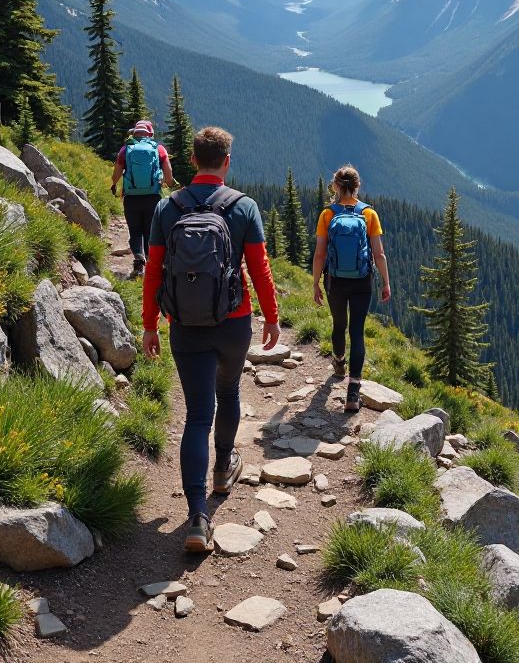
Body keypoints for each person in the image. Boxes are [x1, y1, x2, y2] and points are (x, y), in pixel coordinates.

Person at [142, 126, 280, 553]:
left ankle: (198, 518)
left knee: (197, 414)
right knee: (229, 391)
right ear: (226, 161)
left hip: (186, 325)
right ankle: (223, 469)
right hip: (234, 322)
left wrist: (150, 324)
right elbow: (260, 269)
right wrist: (272, 318)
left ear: (193, 159)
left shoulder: (169, 208)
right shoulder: (243, 207)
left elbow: (153, 271)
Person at [312, 165, 391, 412]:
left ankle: (338, 362)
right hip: (362, 281)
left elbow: (319, 254)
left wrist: (315, 283)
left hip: (335, 281)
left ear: (335, 186)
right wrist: (386, 282)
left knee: (339, 325)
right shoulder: (369, 214)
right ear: (357, 186)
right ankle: (353, 393)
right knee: (357, 332)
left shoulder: (327, 215)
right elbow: (379, 254)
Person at [111, 119, 173, 278]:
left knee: (135, 229)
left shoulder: (126, 149)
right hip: (153, 197)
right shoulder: (158, 149)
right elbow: (169, 176)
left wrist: (114, 184)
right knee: (151, 230)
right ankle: (151, 264)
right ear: (150, 133)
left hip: (131, 197)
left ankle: (139, 263)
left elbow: (116, 173)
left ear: (134, 133)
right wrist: (166, 183)